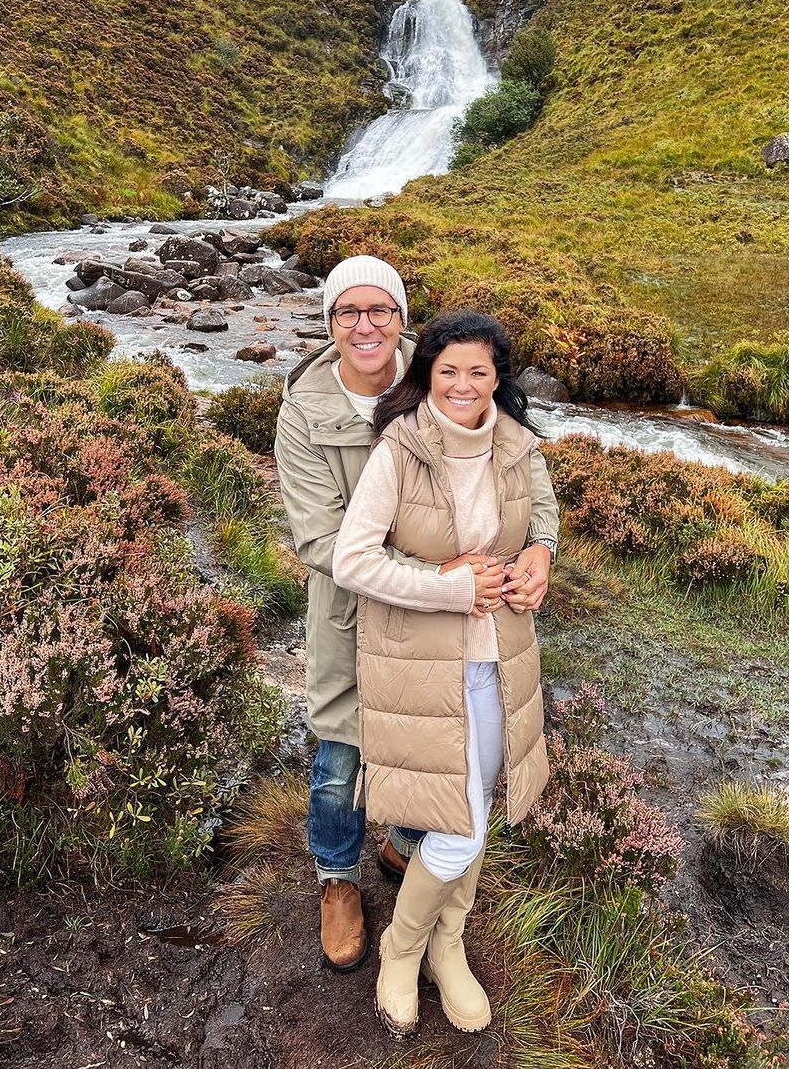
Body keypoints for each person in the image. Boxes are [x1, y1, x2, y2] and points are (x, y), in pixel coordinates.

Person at [275, 261, 559, 975]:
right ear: (329, 322)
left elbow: (525, 471)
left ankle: (405, 840)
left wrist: (540, 551)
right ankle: (337, 879)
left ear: (402, 318)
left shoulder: (445, 372)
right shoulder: (304, 411)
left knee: (438, 738)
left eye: (380, 309)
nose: (365, 325)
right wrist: (438, 570)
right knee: (342, 750)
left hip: (452, 614)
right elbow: (321, 541)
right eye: (348, 312)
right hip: (352, 611)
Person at [331, 309, 558, 1038]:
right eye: (448, 370)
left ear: (499, 379)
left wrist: (538, 561)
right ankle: (403, 949)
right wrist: (450, 586)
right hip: (424, 667)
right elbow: (353, 560)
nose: (463, 384)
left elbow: (544, 516)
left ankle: (447, 946)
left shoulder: (520, 445)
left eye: (479, 371)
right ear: (427, 372)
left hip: (502, 659)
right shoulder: (399, 449)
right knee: (457, 825)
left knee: (478, 807)